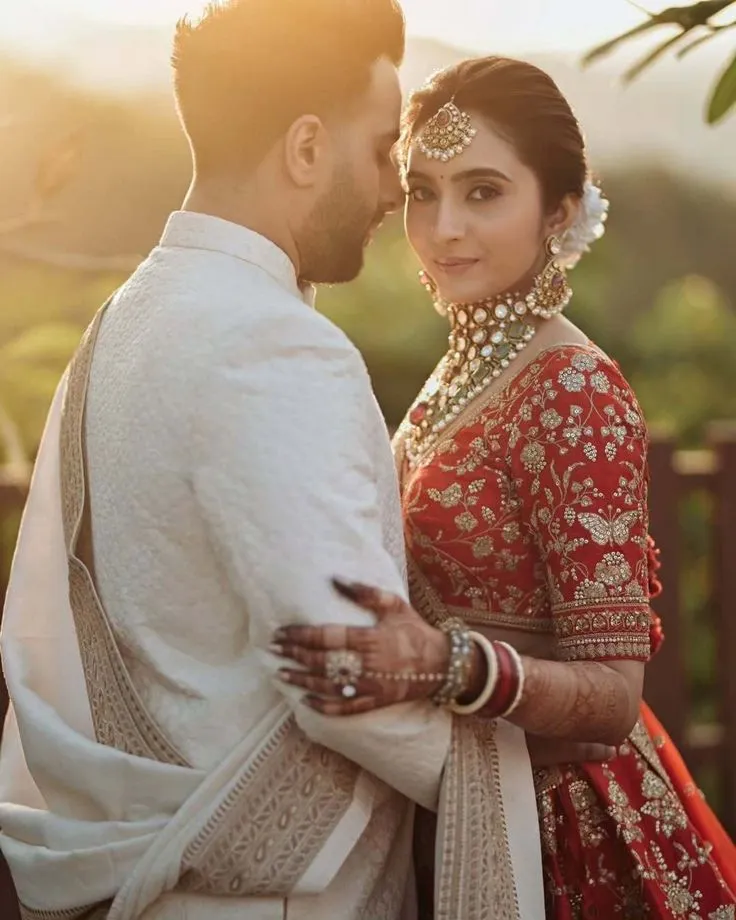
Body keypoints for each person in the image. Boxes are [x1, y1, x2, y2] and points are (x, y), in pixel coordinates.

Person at [0, 9, 593, 920]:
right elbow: (346, 683)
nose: (394, 192)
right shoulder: (277, 347)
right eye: (383, 151)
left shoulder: (125, 317)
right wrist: (528, 783)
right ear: (307, 147)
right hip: (276, 896)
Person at [275, 56, 736, 917]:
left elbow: (613, 697)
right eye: (422, 192)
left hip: (559, 830)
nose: (443, 228)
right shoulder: (467, 365)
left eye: (483, 192)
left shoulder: (573, 388)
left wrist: (443, 664)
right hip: (461, 794)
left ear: (558, 211)